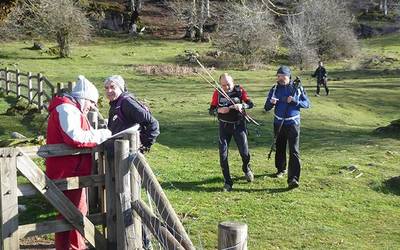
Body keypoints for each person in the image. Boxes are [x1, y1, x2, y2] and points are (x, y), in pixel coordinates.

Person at [46, 75, 112, 250]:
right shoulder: (68, 110)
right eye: (92, 102)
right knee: (75, 214)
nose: (92, 107)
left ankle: (66, 247)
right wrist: (102, 135)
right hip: (68, 172)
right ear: (84, 98)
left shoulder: (69, 109)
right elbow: (74, 137)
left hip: (70, 170)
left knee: (68, 214)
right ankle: (75, 248)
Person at [264, 66, 310, 189]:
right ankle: (280, 169)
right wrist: (271, 103)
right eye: (278, 76)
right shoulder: (274, 89)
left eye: (283, 76)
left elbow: (307, 104)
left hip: (293, 124)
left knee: (294, 150)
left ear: (289, 76)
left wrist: (295, 101)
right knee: (280, 147)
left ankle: (293, 179)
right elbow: (266, 107)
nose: (280, 79)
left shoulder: (297, 88)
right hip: (278, 123)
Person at [209, 73, 254, 192]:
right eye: (223, 85)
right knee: (223, 155)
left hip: (239, 125)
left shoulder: (240, 91)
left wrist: (242, 105)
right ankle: (228, 181)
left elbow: (250, 104)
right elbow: (211, 110)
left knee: (245, 153)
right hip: (224, 126)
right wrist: (219, 110)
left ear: (233, 82)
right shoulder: (217, 93)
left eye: (228, 85)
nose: (226, 88)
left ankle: (246, 168)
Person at [104, 75, 160, 153]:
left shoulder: (127, 103)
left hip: (127, 153)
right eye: (106, 88)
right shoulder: (115, 103)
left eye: (112, 87)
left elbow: (153, 123)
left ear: (120, 88)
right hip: (119, 151)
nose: (109, 91)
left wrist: (145, 144)